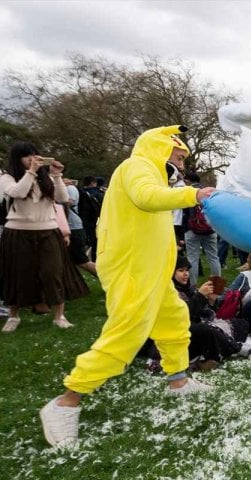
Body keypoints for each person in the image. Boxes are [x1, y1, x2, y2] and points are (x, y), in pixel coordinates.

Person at [39, 125, 216, 447]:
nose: (182, 159)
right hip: (131, 269)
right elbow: (146, 199)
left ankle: (178, 382)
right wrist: (195, 194)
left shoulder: (154, 175)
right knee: (128, 332)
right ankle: (66, 401)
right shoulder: (138, 167)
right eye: (178, 153)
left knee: (174, 321)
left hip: (150, 271)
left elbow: (149, 211)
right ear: (160, 148)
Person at [0, 142, 75, 332]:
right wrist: (31, 172)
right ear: (18, 159)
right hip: (18, 231)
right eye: (26, 156)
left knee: (53, 273)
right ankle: (13, 316)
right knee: (17, 274)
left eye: (34, 155)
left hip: (48, 230)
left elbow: (62, 198)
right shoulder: (7, 178)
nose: (31, 159)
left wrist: (57, 175)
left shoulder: (46, 178)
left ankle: (59, 316)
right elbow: (18, 192)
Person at [183, 171, 221, 287]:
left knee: (192, 258)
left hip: (192, 229)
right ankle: (217, 286)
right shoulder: (209, 192)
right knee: (213, 257)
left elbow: (184, 213)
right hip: (209, 228)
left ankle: (193, 287)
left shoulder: (188, 193)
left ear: (188, 181)